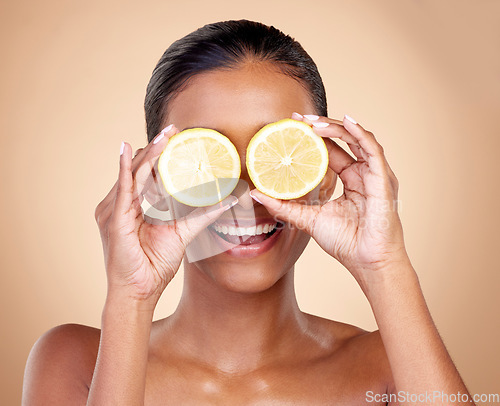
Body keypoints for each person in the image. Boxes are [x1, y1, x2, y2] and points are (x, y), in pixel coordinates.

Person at [23, 19, 474, 405]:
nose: (244, 197)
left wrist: (385, 265)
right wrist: (130, 299)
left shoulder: (389, 365)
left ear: (324, 174)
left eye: (274, 157)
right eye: (208, 160)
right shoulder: (74, 359)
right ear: (157, 184)